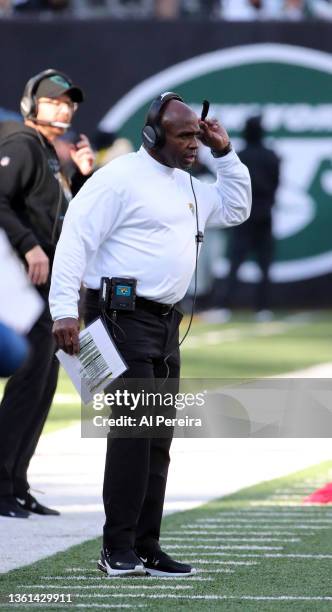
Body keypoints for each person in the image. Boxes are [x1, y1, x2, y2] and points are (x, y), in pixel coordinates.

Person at [50, 92, 251, 577]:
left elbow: (237, 208)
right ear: (151, 135)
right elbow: (75, 239)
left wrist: (224, 153)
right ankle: (115, 548)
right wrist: (63, 312)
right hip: (118, 317)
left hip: (164, 322)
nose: (192, 145)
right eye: (184, 136)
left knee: (158, 437)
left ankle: (146, 545)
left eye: (195, 136)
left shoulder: (188, 184)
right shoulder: (116, 180)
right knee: (133, 435)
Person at [0, 69, 95, 518]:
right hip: (23, 283)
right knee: (27, 382)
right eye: (55, 101)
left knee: (41, 384)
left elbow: (66, 216)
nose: (65, 108)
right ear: (31, 104)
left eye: (69, 103)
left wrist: (81, 178)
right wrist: (29, 244)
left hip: (47, 286)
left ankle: (17, 483)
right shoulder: (21, 144)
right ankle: (1, 484)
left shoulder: (49, 153)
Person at [221, 115, 280, 319]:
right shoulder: (271, 156)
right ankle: (262, 309)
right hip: (263, 215)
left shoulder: (241, 156)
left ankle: (225, 307)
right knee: (262, 264)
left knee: (237, 262)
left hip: (245, 217)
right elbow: (275, 186)